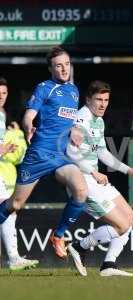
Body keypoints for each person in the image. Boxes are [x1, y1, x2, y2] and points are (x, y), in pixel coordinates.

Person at [0, 47, 88, 260]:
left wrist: (75, 130)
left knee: (81, 191)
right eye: (59, 65)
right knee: (15, 204)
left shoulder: (74, 91)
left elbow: (71, 121)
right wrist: (29, 126)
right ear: (51, 69)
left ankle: (58, 236)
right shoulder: (44, 88)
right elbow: (29, 115)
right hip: (39, 154)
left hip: (60, 156)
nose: (64, 68)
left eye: (67, 64)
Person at [66, 81, 133, 277]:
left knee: (130, 217)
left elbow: (102, 152)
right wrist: (93, 172)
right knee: (121, 225)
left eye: (106, 100)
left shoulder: (98, 121)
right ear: (88, 99)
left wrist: (129, 170)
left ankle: (108, 264)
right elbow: (70, 153)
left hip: (94, 179)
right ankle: (79, 246)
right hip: (81, 181)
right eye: (98, 99)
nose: (103, 104)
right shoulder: (80, 119)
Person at [0, 78, 39, 270]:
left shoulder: (2, 114)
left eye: (4, 93)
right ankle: (13, 257)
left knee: (9, 210)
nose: (1, 97)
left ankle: (13, 257)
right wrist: (3, 149)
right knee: (8, 210)